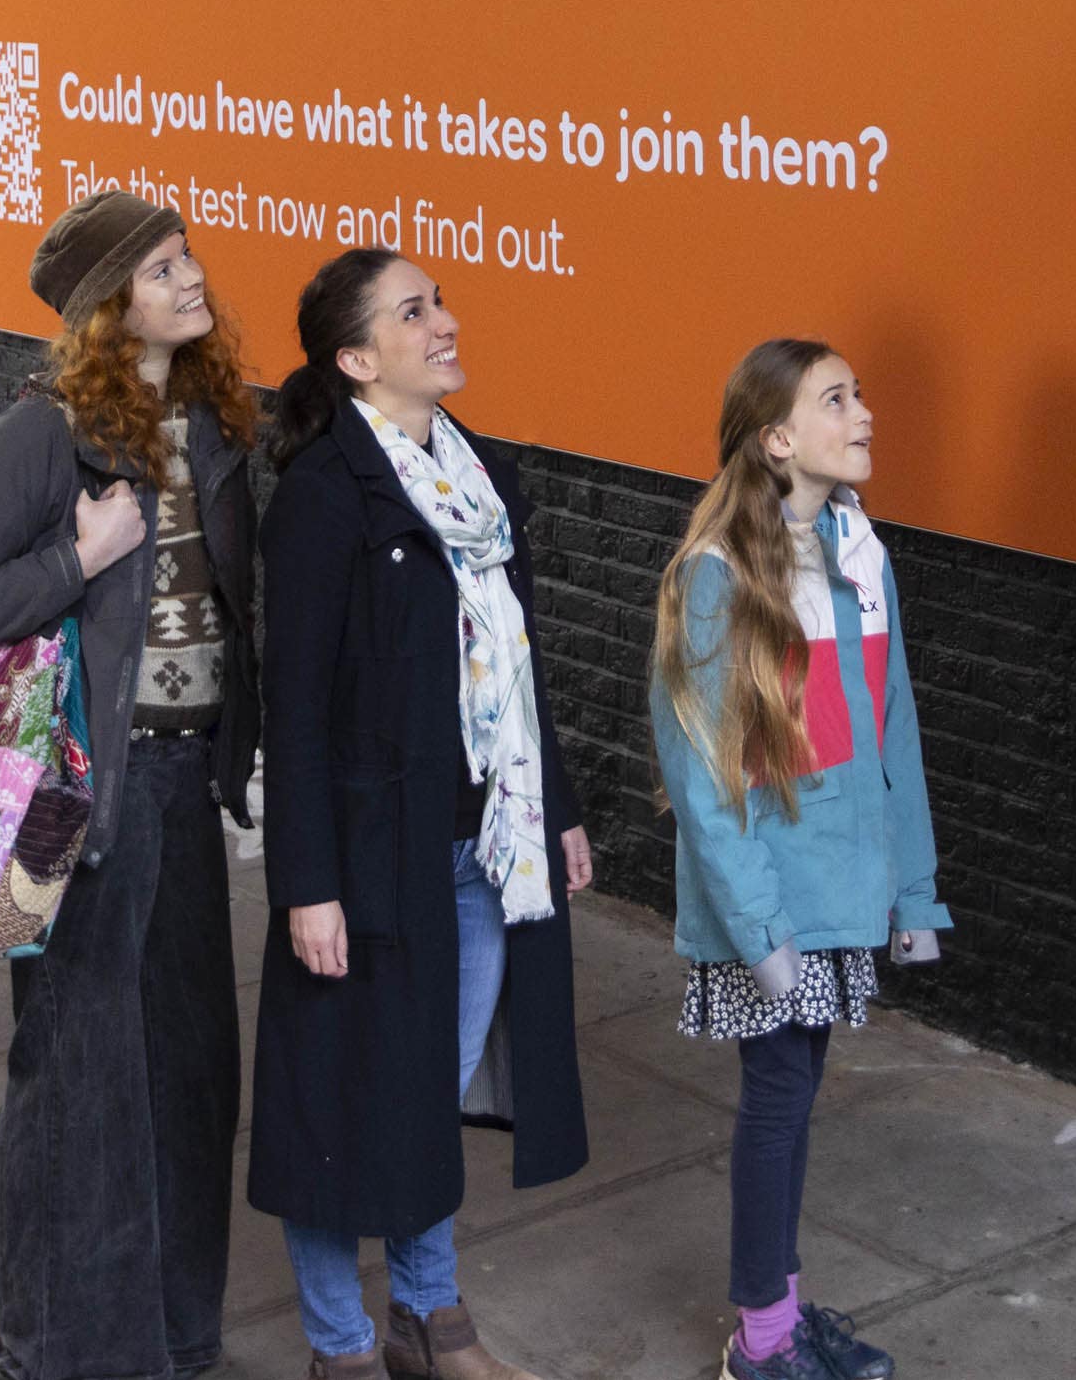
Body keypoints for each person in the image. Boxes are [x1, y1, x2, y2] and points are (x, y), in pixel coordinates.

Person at [0, 191, 263, 1380]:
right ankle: (54, 1349)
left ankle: (174, 1337)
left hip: (182, 784)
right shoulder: (42, 435)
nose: (191, 276)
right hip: (76, 802)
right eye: (163, 266)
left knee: (188, 1074)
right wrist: (82, 555)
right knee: (75, 1075)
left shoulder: (210, 426)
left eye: (187, 256)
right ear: (107, 306)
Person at [250, 249, 590, 1380]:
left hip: (479, 848)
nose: (444, 321)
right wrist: (305, 881)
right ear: (356, 359)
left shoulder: (471, 474)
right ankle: (341, 1346)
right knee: (343, 1104)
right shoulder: (319, 497)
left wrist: (560, 813)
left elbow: (518, 665)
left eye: (435, 300)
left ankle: (431, 1319)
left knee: (420, 1098)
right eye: (414, 310)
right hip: (364, 857)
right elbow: (289, 703)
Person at [648, 342, 947, 1380]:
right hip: (771, 908)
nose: (863, 411)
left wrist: (915, 890)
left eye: (859, 391)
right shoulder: (716, 578)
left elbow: (892, 732)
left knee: (796, 1099)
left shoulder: (861, 558)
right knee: (777, 1103)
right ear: (777, 441)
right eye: (836, 399)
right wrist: (760, 933)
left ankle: (779, 1307)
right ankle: (761, 1345)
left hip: (843, 895)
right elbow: (699, 776)